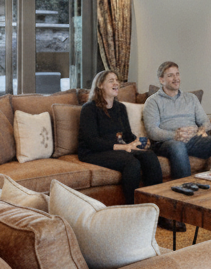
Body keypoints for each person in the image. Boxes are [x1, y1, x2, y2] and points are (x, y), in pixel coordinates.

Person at [77, 69, 179, 231]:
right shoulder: (89, 109)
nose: (116, 83)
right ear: (100, 85)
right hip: (93, 152)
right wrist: (125, 147)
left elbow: (127, 135)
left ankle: (158, 213)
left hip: (118, 148)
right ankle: (133, 215)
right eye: (111, 80)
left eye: (117, 80)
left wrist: (138, 142)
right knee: (131, 163)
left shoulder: (120, 108)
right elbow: (92, 141)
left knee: (150, 157)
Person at [143, 61, 211, 179]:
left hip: (193, 140)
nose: (176, 78)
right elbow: (152, 131)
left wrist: (199, 130)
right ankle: (185, 186)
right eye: (170, 75)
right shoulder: (153, 101)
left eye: (177, 74)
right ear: (162, 80)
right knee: (178, 146)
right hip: (167, 143)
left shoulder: (191, 98)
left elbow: (206, 123)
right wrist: (176, 135)